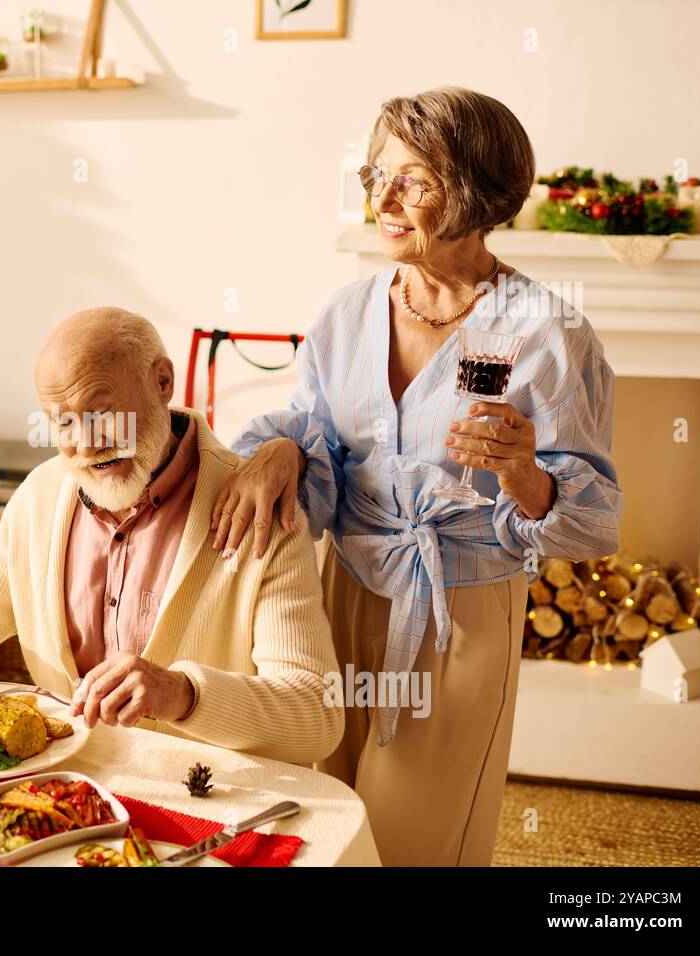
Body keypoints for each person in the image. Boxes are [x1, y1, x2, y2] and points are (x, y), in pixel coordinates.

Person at [212, 88, 622, 864]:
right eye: (378, 175)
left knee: (412, 835)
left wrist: (525, 475)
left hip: (458, 612)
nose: (384, 199)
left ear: (476, 192)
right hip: (340, 594)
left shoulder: (550, 332)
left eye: (416, 181)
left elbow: (593, 516)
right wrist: (285, 449)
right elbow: (321, 444)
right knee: (323, 816)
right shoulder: (345, 315)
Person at [0, 307, 343, 765]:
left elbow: (318, 713)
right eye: (64, 422)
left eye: (102, 412)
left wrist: (182, 694)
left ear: (162, 383)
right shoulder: (40, 497)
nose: (87, 443)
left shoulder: (260, 509)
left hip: (207, 808)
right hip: (65, 798)